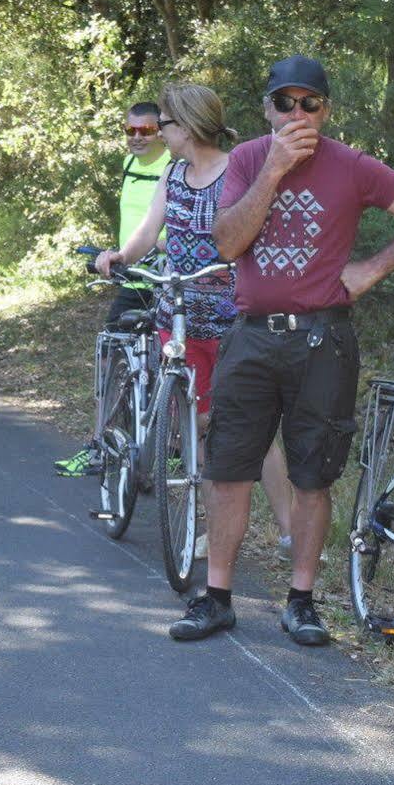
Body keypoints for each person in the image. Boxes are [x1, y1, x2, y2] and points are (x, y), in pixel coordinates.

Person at [170, 56, 394, 644]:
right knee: (228, 470)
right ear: (267, 109)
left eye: (309, 104)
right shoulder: (249, 158)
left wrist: (371, 269)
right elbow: (226, 244)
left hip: (324, 337)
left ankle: (301, 601)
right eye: (284, 103)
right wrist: (274, 170)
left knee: (313, 476)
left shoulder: (349, 165)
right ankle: (216, 596)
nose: (296, 114)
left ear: (326, 110)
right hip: (250, 334)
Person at [93, 82, 293, 554]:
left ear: (186, 125)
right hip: (178, 316)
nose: (159, 132)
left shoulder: (237, 171)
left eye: (163, 123)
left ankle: (290, 530)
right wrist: (119, 255)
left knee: (253, 427)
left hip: (231, 321)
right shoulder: (173, 175)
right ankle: (207, 529)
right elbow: (147, 232)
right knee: (195, 425)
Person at [53, 102, 171, 477]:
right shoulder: (129, 165)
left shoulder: (174, 165)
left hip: (167, 279)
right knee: (110, 356)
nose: (137, 138)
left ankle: (174, 449)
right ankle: (102, 445)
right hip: (131, 278)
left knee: (171, 365)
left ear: (161, 131)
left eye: (146, 131)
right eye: (130, 130)